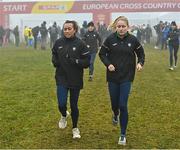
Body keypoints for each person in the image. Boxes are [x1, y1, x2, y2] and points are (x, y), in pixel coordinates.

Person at [99, 16, 145, 145]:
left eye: (123, 26)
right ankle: (115, 114)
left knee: (123, 104)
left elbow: (141, 54)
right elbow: (102, 54)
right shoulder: (110, 39)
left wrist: (140, 63)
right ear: (115, 27)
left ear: (128, 27)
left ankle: (123, 134)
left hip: (127, 77)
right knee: (115, 104)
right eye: (118, 26)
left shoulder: (133, 40)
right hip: (113, 77)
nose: (121, 29)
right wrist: (108, 64)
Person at [51, 20, 90, 139]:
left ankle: (75, 128)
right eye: (65, 29)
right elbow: (54, 54)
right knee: (61, 104)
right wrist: (55, 61)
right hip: (61, 77)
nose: (66, 31)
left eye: (69, 29)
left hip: (75, 79)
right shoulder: (58, 42)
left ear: (75, 30)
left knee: (74, 105)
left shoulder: (80, 44)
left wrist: (75, 61)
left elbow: (87, 62)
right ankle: (63, 115)